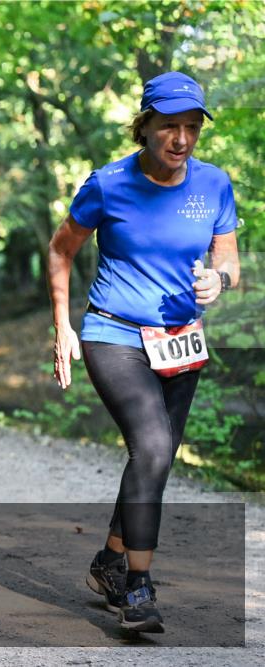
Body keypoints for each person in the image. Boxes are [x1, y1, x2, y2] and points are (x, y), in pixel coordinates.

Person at [47, 71, 240, 633]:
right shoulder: (108, 184)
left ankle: (108, 563)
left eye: (192, 128)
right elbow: (60, 251)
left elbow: (229, 258)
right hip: (114, 333)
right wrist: (62, 326)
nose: (181, 139)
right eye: (169, 127)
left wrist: (220, 281)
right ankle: (137, 586)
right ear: (144, 126)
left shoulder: (214, 184)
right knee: (153, 446)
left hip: (180, 340)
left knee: (154, 457)